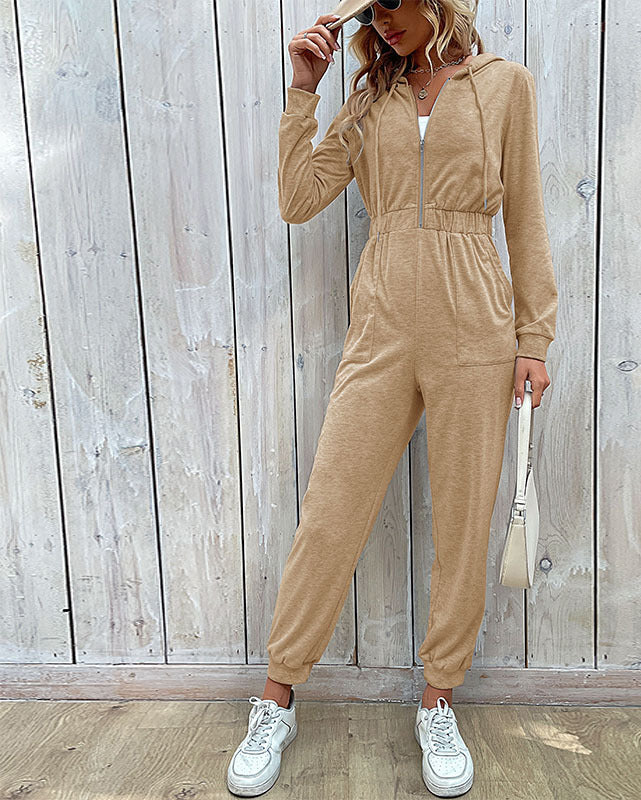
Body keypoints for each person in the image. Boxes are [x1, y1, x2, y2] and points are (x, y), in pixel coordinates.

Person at [227, 0, 557, 796]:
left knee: (462, 519)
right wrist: (304, 90)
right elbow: (298, 199)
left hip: (475, 325)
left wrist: (534, 339)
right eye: (372, 11)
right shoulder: (371, 96)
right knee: (331, 511)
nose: (385, 21)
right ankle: (277, 696)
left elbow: (526, 217)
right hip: (380, 322)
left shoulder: (504, 85)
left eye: (396, 4)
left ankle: (438, 698)